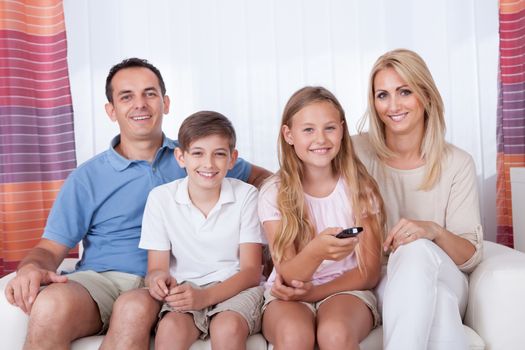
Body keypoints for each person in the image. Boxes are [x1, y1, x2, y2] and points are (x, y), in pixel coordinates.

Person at [3, 58, 271, 349]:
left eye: (150, 93)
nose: (140, 104)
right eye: (126, 96)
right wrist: (30, 268)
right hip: (103, 281)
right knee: (51, 304)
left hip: (166, 285)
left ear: (165, 103)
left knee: (134, 308)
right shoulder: (87, 177)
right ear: (111, 110)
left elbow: (271, 182)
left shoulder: (198, 157)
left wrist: (277, 244)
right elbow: (48, 249)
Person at [352, 48, 484, 349]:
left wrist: (432, 231)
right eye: (382, 95)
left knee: (416, 249)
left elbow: (470, 256)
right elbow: (298, 171)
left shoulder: (457, 163)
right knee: (439, 306)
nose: (393, 105)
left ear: (424, 95)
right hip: (384, 279)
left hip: (445, 271)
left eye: (404, 92)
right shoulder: (356, 152)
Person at [258, 86, 386, 349]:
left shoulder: (360, 188)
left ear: (341, 130)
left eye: (329, 128)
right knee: (294, 336)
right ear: (288, 134)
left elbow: (369, 273)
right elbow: (290, 274)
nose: (321, 139)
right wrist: (316, 252)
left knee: (336, 333)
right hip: (289, 293)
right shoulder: (274, 191)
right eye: (308, 130)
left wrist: (315, 292)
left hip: (347, 289)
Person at [138, 111, 264, 350]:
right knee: (169, 330)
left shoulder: (246, 195)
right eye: (198, 153)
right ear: (181, 157)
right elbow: (156, 268)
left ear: (232, 158)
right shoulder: (160, 199)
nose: (208, 164)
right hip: (186, 289)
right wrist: (157, 280)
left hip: (235, 287)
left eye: (219, 154)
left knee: (227, 328)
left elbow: (250, 272)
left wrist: (205, 297)